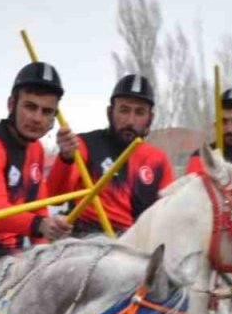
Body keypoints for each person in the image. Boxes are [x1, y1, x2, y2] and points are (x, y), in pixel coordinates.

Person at [0, 62, 72, 258]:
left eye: (46, 112)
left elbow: (39, 208)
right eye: (30, 107)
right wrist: (41, 226)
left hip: (15, 253)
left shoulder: (36, 149)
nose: (37, 118)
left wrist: (45, 251)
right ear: (11, 104)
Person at [48, 74, 173, 235]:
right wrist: (66, 157)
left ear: (150, 118)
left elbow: (166, 216)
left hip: (135, 246)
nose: (130, 120)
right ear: (110, 112)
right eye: (124, 110)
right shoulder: (83, 144)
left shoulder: (158, 160)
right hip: (85, 241)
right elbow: (56, 196)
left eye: (139, 112)